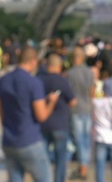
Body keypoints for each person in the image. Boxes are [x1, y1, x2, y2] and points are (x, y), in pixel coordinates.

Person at [0, 46, 60, 182]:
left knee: (15, 178)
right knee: (45, 178)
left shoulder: (3, 80)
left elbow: (2, 114)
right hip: (29, 140)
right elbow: (41, 116)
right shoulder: (34, 83)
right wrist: (51, 103)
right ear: (33, 61)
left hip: (8, 141)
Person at [39, 54, 77, 182]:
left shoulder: (39, 80)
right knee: (61, 158)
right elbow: (73, 102)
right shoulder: (62, 81)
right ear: (59, 67)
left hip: (43, 124)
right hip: (60, 125)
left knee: (43, 158)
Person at [66, 46, 94, 180]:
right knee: (86, 139)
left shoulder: (70, 73)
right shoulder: (89, 72)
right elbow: (92, 90)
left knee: (78, 140)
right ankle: (85, 165)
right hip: (86, 108)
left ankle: (82, 166)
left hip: (75, 109)